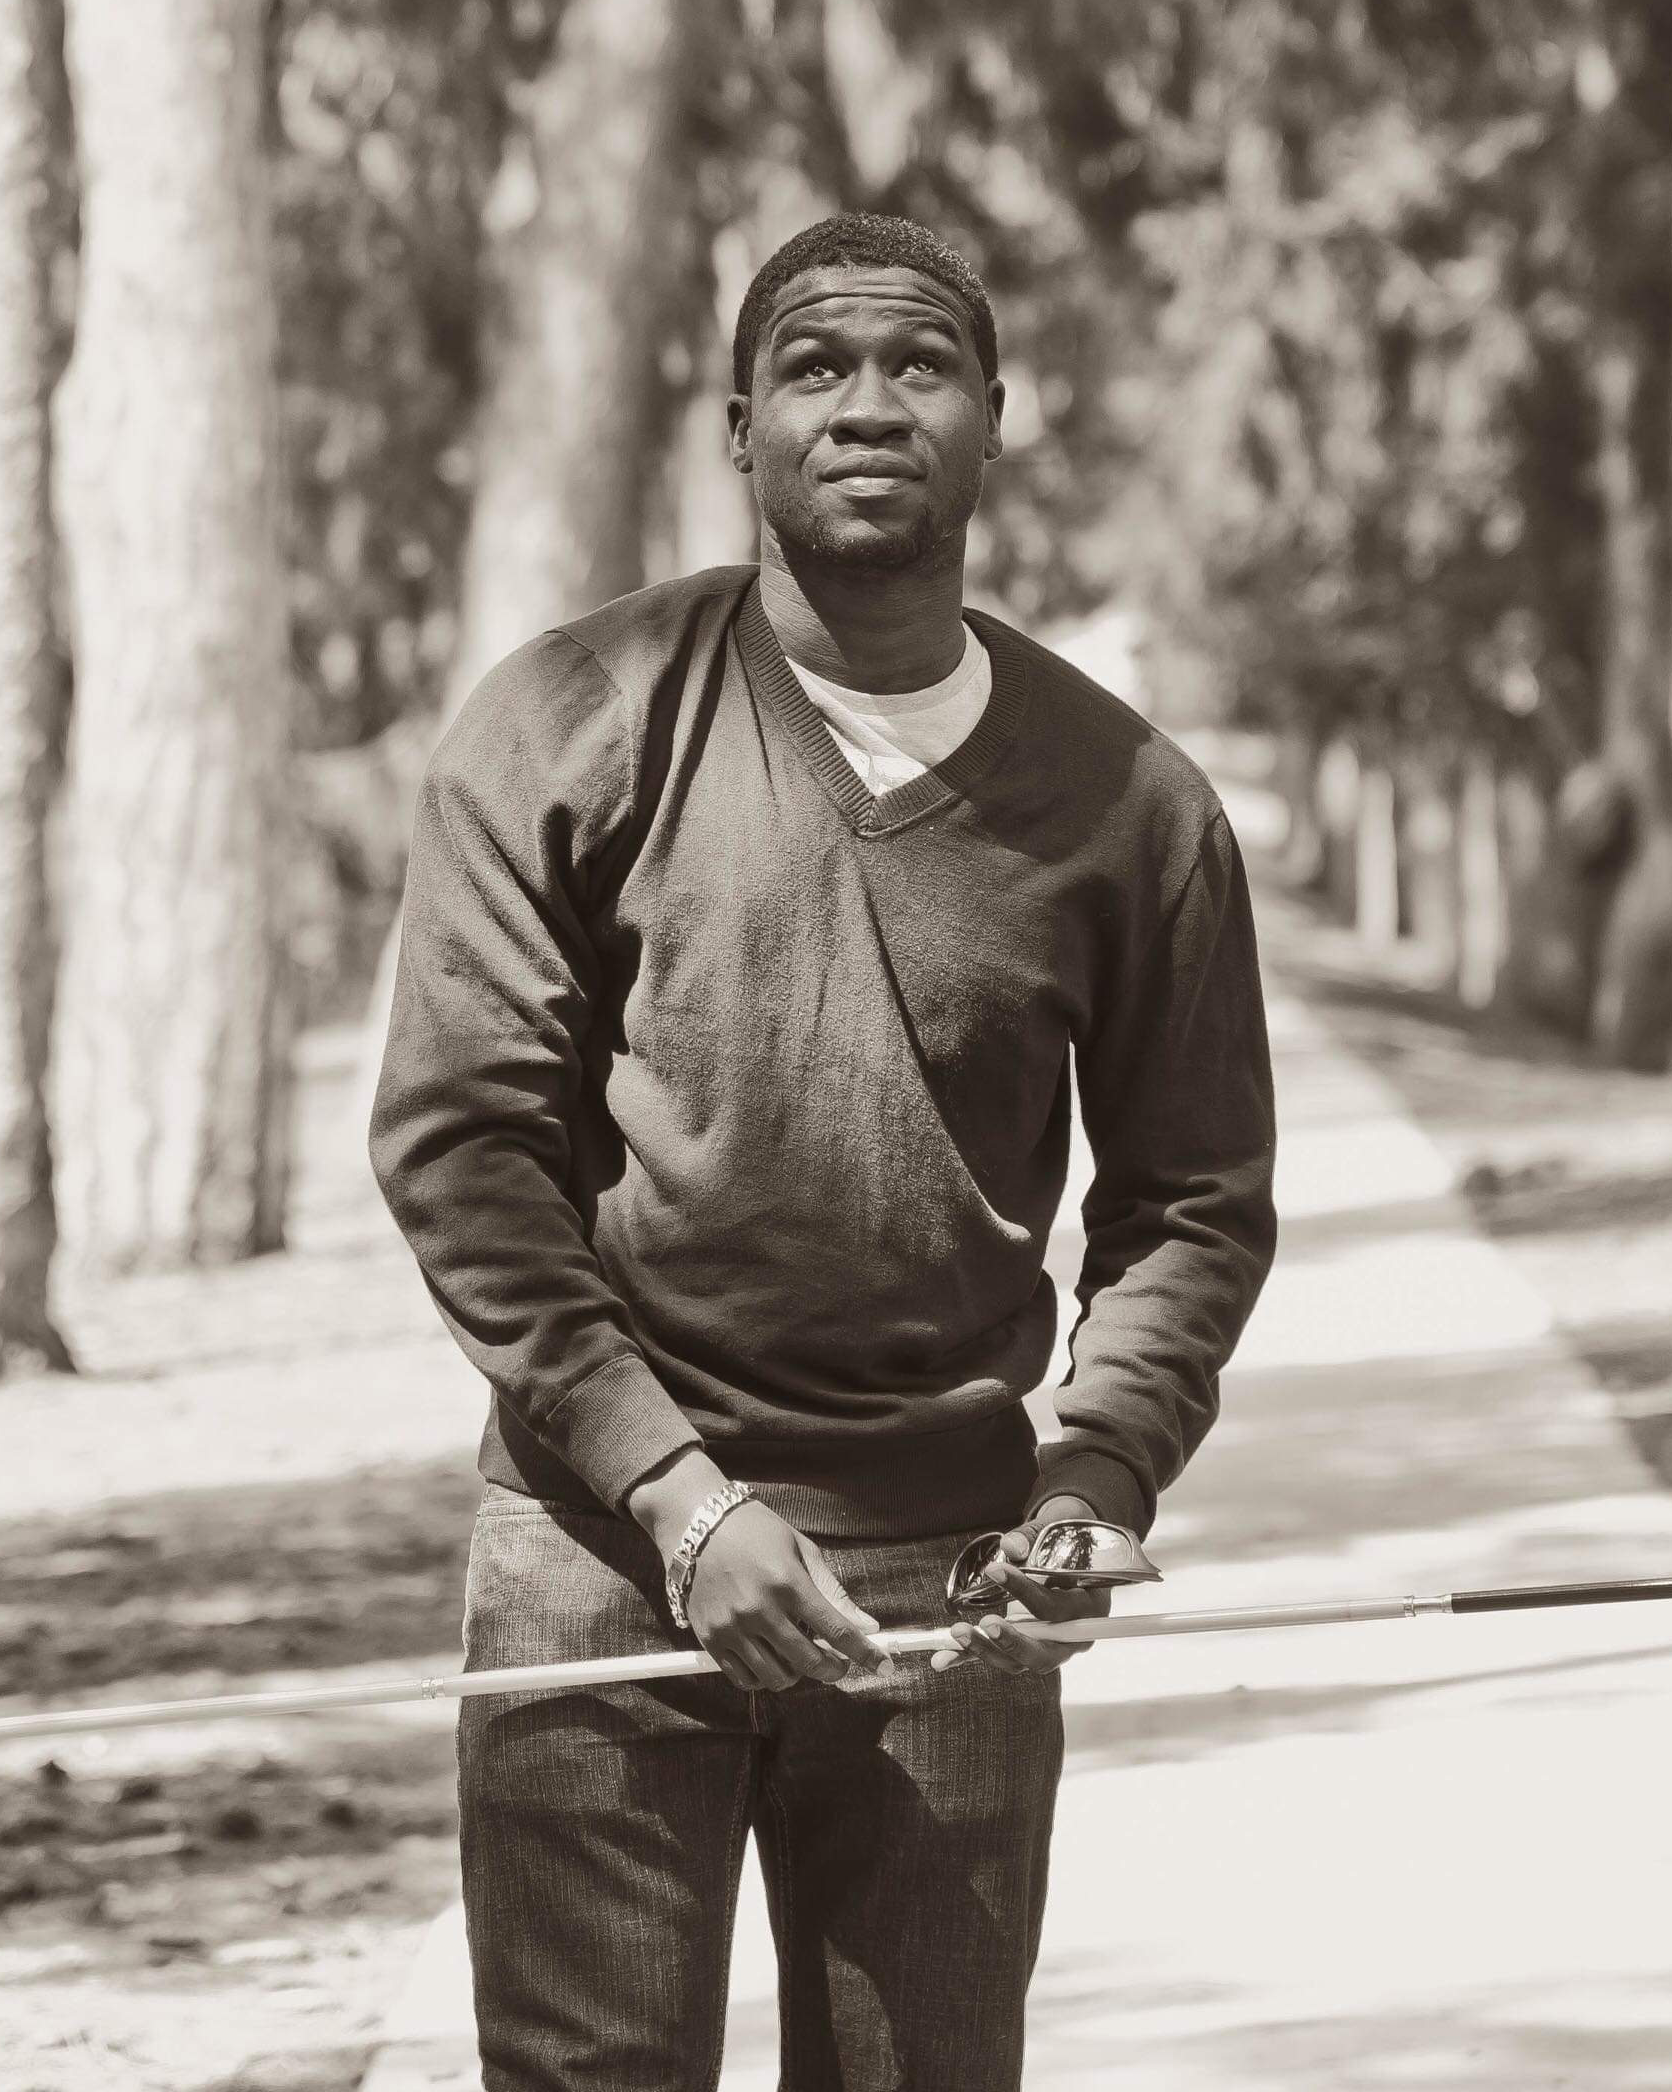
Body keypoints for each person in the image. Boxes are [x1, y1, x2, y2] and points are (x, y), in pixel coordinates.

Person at [368, 210, 1278, 2091]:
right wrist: (680, 1504)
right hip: (601, 1561)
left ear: (996, 417)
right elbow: (465, 1152)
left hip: (953, 1589)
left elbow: (1191, 1205)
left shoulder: (1135, 807)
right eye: (817, 366)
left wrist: (1096, 1477)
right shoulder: (573, 723)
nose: (870, 405)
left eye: (920, 364)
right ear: (739, 425)